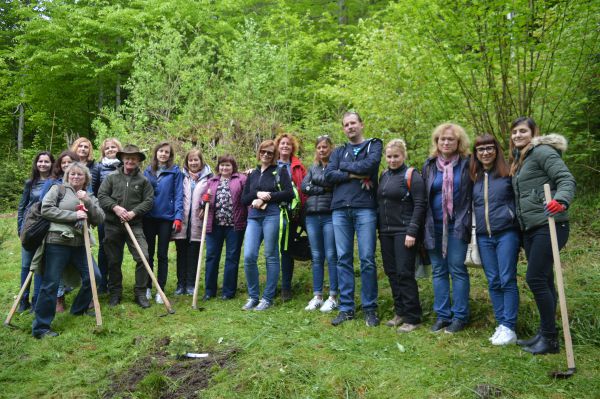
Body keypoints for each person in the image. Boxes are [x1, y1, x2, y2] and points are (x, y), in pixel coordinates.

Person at [509, 117, 575, 355]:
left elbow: (565, 179)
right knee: (545, 280)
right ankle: (545, 334)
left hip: (550, 224)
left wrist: (561, 200)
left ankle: (549, 338)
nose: (517, 135)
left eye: (523, 131)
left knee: (535, 278)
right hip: (532, 227)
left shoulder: (542, 151)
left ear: (534, 132)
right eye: (514, 132)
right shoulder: (521, 159)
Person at [32, 162, 104, 338]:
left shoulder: (89, 195)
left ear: (86, 178)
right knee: (51, 283)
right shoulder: (58, 189)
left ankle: (78, 310)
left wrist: (87, 201)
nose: (76, 177)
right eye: (72, 174)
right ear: (67, 176)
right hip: (57, 241)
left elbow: (99, 218)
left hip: (80, 244)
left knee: (95, 277)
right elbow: (46, 209)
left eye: (80, 175)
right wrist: (74, 215)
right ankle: (41, 327)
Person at [324, 111, 383, 327]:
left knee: (367, 258)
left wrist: (344, 168)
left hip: (365, 208)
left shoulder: (373, 145)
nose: (350, 127)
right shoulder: (338, 151)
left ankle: (370, 309)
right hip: (339, 209)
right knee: (343, 259)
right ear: (343, 128)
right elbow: (329, 175)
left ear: (361, 124)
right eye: (346, 124)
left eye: (353, 123)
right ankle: (346, 308)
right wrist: (352, 174)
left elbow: (370, 166)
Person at [422, 123, 473, 334]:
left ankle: (460, 316)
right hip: (433, 225)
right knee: (439, 270)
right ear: (437, 142)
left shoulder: (468, 164)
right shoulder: (430, 165)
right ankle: (443, 315)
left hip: (457, 224)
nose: (446, 142)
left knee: (457, 269)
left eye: (450, 139)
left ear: (458, 142)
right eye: (442, 139)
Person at [470, 134, 520, 345]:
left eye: (489, 148)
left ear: (496, 150)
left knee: (507, 278)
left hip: (506, 232)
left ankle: (510, 326)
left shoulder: (509, 172)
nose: (485, 153)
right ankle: (501, 324)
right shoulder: (474, 177)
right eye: (481, 150)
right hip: (483, 236)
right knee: (493, 280)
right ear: (476, 154)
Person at [377, 139, 426, 333]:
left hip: (404, 231)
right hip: (386, 232)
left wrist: (412, 231)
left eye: (396, 156)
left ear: (403, 156)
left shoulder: (412, 175)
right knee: (392, 272)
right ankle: (400, 312)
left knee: (405, 273)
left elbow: (420, 204)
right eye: (389, 156)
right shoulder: (384, 175)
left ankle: (413, 317)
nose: (392, 160)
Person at [98, 144, 154, 308]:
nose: (130, 161)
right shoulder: (111, 177)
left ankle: (140, 293)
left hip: (134, 225)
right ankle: (115, 293)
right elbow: (102, 196)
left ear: (138, 161)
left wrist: (134, 212)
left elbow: (149, 200)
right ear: (122, 159)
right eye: (127, 158)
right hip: (112, 225)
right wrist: (115, 207)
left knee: (144, 257)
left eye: (134, 158)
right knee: (114, 260)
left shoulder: (143, 181)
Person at [241, 140, 294, 311]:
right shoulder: (253, 174)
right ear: (259, 152)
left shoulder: (280, 171)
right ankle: (253, 296)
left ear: (275, 155)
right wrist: (256, 194)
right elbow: (244, 198)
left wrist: (267, 196)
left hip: (272, 215)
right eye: (263, 151)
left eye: (270, 153)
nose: (265, 155)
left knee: (271, 256)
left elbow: (289, 194)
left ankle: (267, 298)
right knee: (249, 256)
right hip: (254, 217)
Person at [201, 154, 247, 300]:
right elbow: (203, 202)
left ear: (233, 167)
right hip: (214, 226)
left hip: (234, 225)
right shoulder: (211, 181)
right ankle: (209, 291)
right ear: (218, 167)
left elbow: (246, 198)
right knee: (211, 257)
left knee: (232, 258)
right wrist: (204, 201)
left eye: (228, 165)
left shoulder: (241, 180)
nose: (224, 167)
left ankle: (228, 291)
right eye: (222, 165)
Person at [301, 135, 339, 312]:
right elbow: (304, 187)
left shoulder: (335, 166)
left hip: (329, 215)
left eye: (325, 147)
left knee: (331, 255)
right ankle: (317, 295)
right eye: (319, 147)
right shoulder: (313, 167)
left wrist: (316, 187)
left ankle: (333, 296)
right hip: (311, 216)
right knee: (316, 256)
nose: (322, 150)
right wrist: (323, 189)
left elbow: (333, 183)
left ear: (330, 148)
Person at [143, 141, 184, 304]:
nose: (163, 154)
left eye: (166, 152)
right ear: (156, 153)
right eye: (160, 151)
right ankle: (147, 287)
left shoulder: (175, 172)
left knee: (162, 255)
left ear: (170, 155)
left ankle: (160, 289)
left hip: (166, 218)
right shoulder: (147, 171)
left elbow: (179, 194)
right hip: (149, 217)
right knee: (149, 254)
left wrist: (178, 217)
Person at [17, 151, 54, 312]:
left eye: (46, 161)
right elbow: (22, 207)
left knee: (40, 266)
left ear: (52, 164)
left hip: (45, 228)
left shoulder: (55, 183)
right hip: (30, 228)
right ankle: (23, 300)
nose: (43, 164)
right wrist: (20, 228)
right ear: (36, 163)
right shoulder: (30, 183)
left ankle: (36, 301)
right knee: (26, 265)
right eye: (40, 161)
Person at [171, 148, 212, 295]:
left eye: (196, 160)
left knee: (194, 254)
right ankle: (180, 284)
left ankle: (190, 284)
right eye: (190, 160)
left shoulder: (209, 178)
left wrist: (205, 203)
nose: (193, 162)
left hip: (197, 221)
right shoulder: (181, 177)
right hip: (182, 221)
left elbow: (211, 196)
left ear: (201, 161)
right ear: (187, 162)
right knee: (181, 254)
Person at [274, 133, 307, 301]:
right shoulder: (271, 164)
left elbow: (304, 189)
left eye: (288, 144)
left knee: (288, 249)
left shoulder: (298, 167)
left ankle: (287, 287)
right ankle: (277, 287)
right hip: (275, 213)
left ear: (292, 147)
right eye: (282, 143)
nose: (285, 146)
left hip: (294, 213)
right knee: (277, 250)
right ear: (277, 146)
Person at [92, 138, 123, 294]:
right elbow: (94, 190)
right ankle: (102, 282)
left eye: (113, 147)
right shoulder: (98, 167)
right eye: (107, 148)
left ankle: (115, 282)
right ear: (103, 151)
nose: (110, 150)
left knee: (118, 247)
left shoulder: (124, 166)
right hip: (105, 214)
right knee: (105, 247)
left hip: (122, 213)